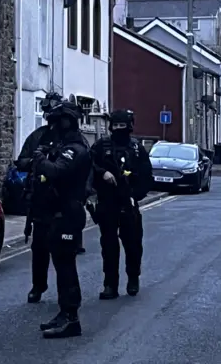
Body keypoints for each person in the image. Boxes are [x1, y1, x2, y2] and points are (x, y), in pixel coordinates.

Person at [29, 100, 91, 339]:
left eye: (56, 122)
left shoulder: (74, 149)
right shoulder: (64, 145)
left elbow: (55, 171)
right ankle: (65, 312)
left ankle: (71, 317)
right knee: (60, 262)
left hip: (69, 213)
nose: (52, 127)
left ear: (65, 123)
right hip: (58, 212)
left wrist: (40, 160)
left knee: (66, 265)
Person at [90, 109, 152, 300]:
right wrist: (102, 173)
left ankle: (133, 278)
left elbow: (147, 175)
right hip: (107, 202)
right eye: (115, 126)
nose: (119, 129)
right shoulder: (101, 146)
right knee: (108, 246)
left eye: (122, 126)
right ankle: (110, 284)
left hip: (129, 202)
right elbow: (87, 164)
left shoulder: (136, 149)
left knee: (132, 244)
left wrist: (136, 195)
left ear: (129, 126)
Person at [15, 91, 61, 304]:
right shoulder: (38, 136)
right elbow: (21, 161)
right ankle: (38, 286)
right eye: (47, 112)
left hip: (63, 199)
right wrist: (34, 162)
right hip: (41, 199)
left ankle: (66, 291)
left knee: (63, 249)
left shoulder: (70, 139)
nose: (49, 117)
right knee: (39, 246)